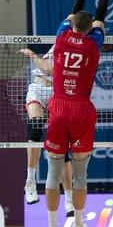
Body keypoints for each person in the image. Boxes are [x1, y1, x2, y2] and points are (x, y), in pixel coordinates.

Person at [43, 0, 113, 227]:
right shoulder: (93, 43)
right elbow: (99, 19)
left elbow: (75, 13)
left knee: (52, 174)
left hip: (59, 108)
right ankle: (77, 225)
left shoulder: (61, 38)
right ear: (89, 29)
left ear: (72, 24)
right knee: (81, 174)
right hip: (82, 110)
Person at [18, 45, 74, 217]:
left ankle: (69, 199)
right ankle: (30, 182)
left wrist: (31, 54)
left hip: (59, 93)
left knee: (62, 147)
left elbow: (49, 70)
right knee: (35, 129)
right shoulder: (64, 38)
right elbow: (48, 69)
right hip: (38, 88)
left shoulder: (81, 53)